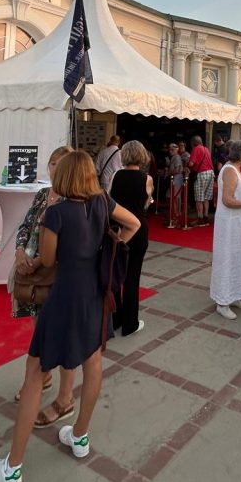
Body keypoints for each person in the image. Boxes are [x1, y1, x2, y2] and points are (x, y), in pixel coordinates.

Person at [0, 151, 139, 481]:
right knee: (93, 362)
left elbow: (48, 259)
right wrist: (111, 246)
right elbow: (134, 223)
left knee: (35, 372)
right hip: (93, 294)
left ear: (64, 175)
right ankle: (80, 435)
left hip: (64, 294)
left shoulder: (56, 213)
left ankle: (13, 467)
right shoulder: (102, 202)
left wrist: (34, 255)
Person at [11, 145, 72, 410]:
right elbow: (26, 225)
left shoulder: (74, 200)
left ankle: (61, 392)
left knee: (60, 333)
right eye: (52, 163)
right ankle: (44, 375)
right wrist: (19, 252)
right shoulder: (42, 194)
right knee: (39, 327)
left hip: (56, 274)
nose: (55, 168)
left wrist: (38, 261)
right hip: (32, 274)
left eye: (61, 164)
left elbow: (69, 243)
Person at [110, 140, 153, 336]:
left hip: (118, 229)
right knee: (132, 277)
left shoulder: (116, 175)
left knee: (115, 274)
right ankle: (130, 323)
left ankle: (116, 319)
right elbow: (145, 205)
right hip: (138, 229)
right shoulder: (147, 179)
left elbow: (110, 200)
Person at [210, 140, 241, 320]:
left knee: (237, 259)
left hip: (238, 224)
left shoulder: (236, 169)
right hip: (230, 224)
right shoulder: (229, 170)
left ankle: (234, 295)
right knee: (228, 260)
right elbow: (227, 200)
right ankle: (222, 303)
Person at [187, 135, 215, 226]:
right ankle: (206, 217)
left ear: (193, 142)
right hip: (211, 173)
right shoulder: (206, 149)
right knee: (206, 198)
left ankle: (200, 218)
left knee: (199, 198)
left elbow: (191, 164)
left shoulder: (196, 149)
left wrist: (187, 163)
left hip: (202, 173)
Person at [165, 142, 186, 228]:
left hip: (177, 178)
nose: (170, 151)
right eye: (169, 149)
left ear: (176, 149)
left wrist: (168, 173)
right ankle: (174, 216)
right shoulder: (175, 157)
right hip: (175, 178)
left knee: (174, 197)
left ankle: (176, 216)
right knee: (171, 196)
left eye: (172, 149)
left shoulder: (177, 157)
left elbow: (177, 169)